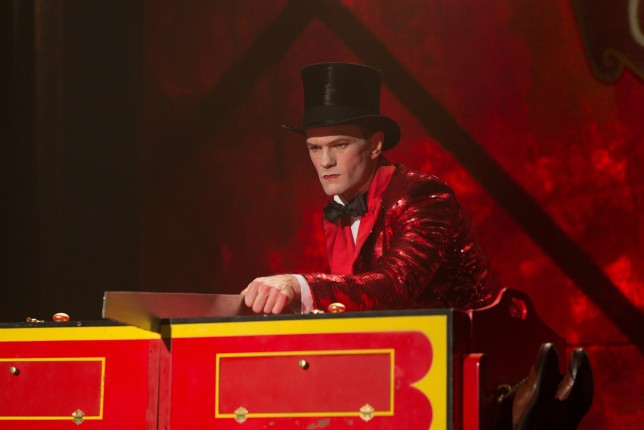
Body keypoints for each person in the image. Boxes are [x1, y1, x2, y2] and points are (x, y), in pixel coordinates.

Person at [241, 62, 499, 314]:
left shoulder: (424, 195)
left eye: (339, 145)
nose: (325, 161)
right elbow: (354, 302)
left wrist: (299, 285)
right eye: (315, 148)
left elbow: (396, 285)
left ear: (375, 145)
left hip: (476, 338)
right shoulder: (339, 208)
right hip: (401, 338)